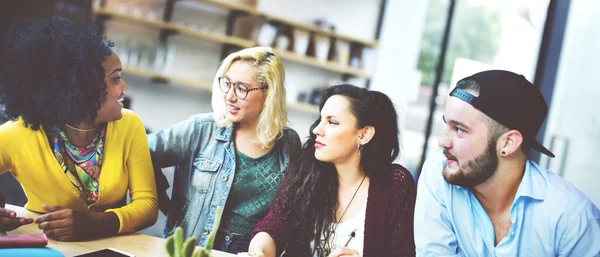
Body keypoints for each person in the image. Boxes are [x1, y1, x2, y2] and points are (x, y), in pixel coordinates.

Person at [0, 16, 158, 241]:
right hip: (44, 248)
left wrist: (96, 224)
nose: (125, 87)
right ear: (83, 87)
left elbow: (148, 206)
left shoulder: (129, 125)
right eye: (115, 79)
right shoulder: (19, 134)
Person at [414, 70, 600, 256]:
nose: (443, 141)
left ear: (508, 143)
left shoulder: (573, 219)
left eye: (460, 129)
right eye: (447, 125)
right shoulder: (439, 172)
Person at [148, 46, 301, 254]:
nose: (229, 96)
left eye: (241, 88)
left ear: (268, 93)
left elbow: (286, 212)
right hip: (196, 248)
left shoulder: (289, 143)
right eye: (227, 83)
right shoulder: (201, 129)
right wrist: (167, 206)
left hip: (250, 252)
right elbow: (142, 152)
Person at [248, 84, 417, 257]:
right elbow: (273, 226)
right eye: (320, 120)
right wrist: (258, 251)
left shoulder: (395, 184)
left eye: (332, 122)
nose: (317, 130)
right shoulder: (306, 169)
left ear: (364, 134)